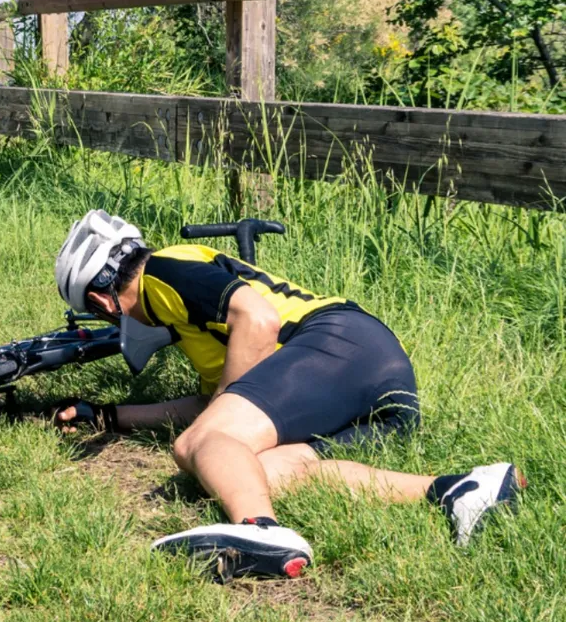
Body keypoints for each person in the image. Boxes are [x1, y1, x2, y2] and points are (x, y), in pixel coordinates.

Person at [53, 209, 524, 581]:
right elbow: (213, 407)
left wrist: (208, 430)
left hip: (340, 342)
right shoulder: (186, 318)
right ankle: (456, 489)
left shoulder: (164, 271)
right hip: (378, 384)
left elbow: (259, 321)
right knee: (260, 471)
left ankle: (263, 530)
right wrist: (111, 417)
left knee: (197, 445)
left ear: (100, 302)